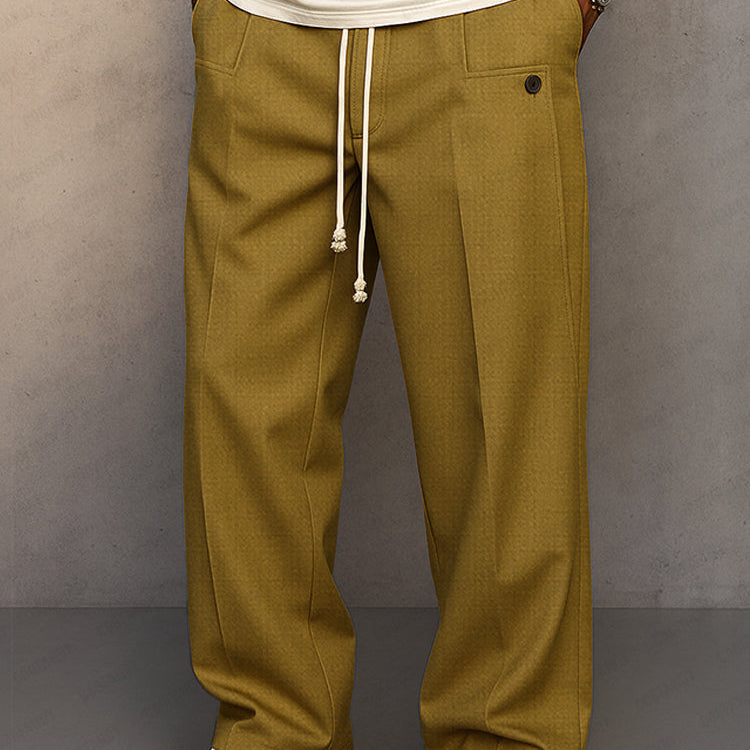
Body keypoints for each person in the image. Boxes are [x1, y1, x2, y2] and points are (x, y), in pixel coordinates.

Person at [182, 0, 608, 748]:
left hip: (485, 28)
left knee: (506, 436)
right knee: (241, 427)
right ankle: (275, 732)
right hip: (262, 36)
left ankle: (506, 737)